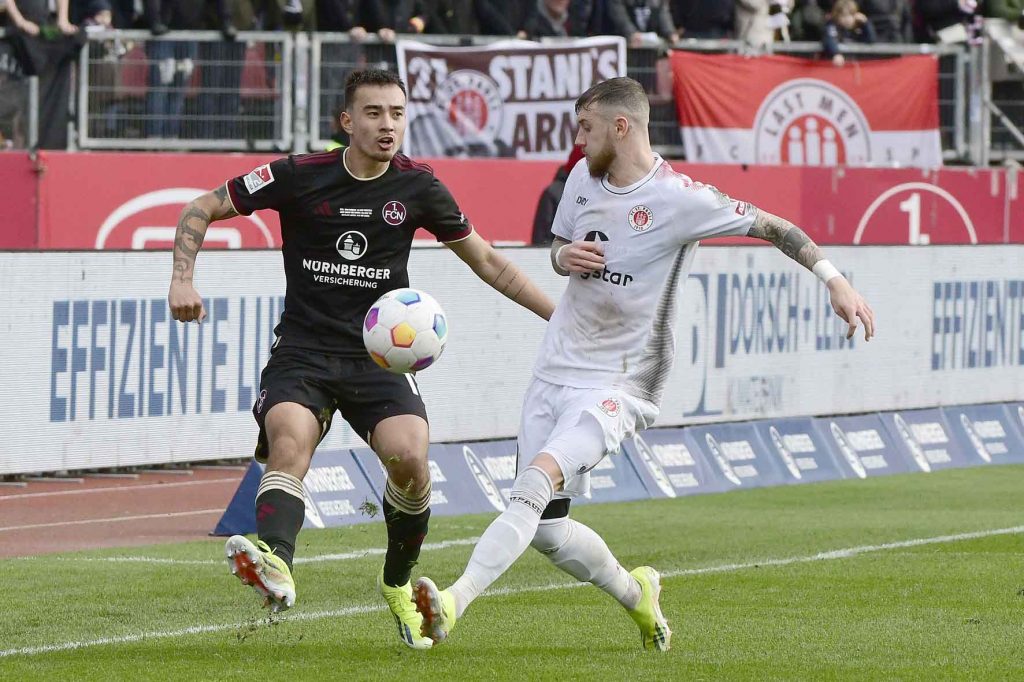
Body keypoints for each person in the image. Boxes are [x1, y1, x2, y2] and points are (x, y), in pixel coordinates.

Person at [412, 76, 875, 650]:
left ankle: (453, 604)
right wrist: (563, 257)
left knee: (537, 480)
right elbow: (558, 249)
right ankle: (638, 596)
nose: (577, 142)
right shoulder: (581, 179)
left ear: (621, 126)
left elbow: (776, 227)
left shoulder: (682, 199)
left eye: (586, 128)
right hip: (555, 366)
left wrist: (835, 282)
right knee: (549, 531)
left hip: (622, 380)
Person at [167, 68, 555, 649]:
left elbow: (490, 263)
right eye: (374, 113)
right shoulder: (299, 176)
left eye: (397, 114)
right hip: (303, 350)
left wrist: (561, 319)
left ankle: (397, 584)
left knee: (411, 462)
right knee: (288, 439)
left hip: (378, 361)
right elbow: (202, 207)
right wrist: (181, 279)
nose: (388, 125)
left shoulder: (419, 187)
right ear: (346, 121)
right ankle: (275, 560)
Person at [823, 0, 877, 67]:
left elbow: (871, 40)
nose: (847, 19)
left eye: (851, 15)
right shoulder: (832, 25)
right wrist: (836, 54)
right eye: (843, 15)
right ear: (837, 16)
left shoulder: (860, 27)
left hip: (855, 66)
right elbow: (830, 39)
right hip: (836, 66)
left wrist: (866, 23)